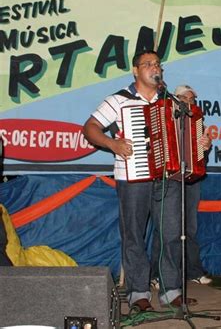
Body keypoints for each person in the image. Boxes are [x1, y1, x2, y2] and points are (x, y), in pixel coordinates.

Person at [84, 50, 168, 311]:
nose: (154, 68)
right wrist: (113, 143)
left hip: (166, 175)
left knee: (172, 234)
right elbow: (90, 128)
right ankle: (138, 292)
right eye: (148, 64)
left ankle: (170, 289)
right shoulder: (119, 100)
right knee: (134, 235)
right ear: (135, 70)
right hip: (132, 176)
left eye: (157, 64)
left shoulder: (169, 101)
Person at [151, 85, 212, 297]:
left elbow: (201, 152)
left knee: (190, 228)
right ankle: (157, 275)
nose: (190, 102)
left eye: (193, 99)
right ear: (176, 99)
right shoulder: (163, 114)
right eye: (186, 98)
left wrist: (205, 145)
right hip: (169, 177)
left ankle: (193, 271)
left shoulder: (197, 120)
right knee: (166, 229)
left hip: (191, 177)